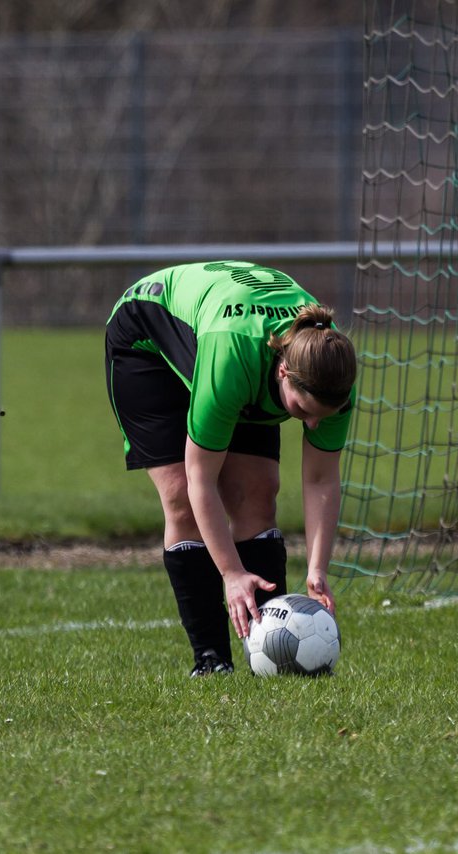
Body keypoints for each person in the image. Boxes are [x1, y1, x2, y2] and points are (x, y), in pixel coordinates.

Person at [104, 260, 357, 676]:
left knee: (257, 492)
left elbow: (320, 478)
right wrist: (231, 572)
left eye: (321, 417)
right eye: (300, 411)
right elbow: (199, 480)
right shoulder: (232, 364)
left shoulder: (332, 375)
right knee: (183, 500)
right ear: (283, 372)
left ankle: (270, 655)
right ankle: (211, 660)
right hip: (145, 340)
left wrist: (317, 569)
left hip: (238, 344)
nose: (311, 425)